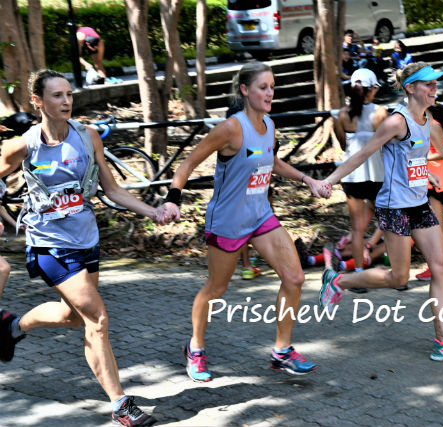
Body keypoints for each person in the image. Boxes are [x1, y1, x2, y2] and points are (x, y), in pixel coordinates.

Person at [0, 69, 158, 426]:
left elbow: (112, 190)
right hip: (49, 245)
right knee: (97, 319)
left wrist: (153, 210)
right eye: (57, 95)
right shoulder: (23, 145)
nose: (66, 101)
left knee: (72, 317)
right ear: (38, 101)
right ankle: (120, 405)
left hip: (86, 239)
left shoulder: (87, 137)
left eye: (69, 94)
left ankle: (12, 327)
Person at [156, 62, 328, 382]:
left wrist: (308, 180)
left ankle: (282, 351)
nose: (270, 93)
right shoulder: (230, 129)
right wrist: (172, 199)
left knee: (294, 277)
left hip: (260, 215)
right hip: (228, 220)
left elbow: (271, 161)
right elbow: (188, 163)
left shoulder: (269, 125)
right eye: (263, 87)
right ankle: (195, 348)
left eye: (272, 87)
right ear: (245, 90)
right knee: (216, 288)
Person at [318, 62, 443, 363]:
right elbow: (362, 154)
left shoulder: (427, 119)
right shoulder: (396, 122)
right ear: (410, 88)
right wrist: (328, 181)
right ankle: (338, 281)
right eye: (428, 84)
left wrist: (424, 175)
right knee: (398, 277)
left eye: (435, 83)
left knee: (441, 266)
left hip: (419, 202)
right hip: (395, 207)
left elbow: (412, 158)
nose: (434, 88)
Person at [334, 68, 388, 293]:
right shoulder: (381, 112)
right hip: (377, 175)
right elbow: (388, 143)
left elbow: (343, 144)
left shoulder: (342, 115)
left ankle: (357, 275)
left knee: (356, 229)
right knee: (390, 224)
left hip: (353, 177)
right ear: (372, 89)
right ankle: (398, 272)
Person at [416, 104, 443, 280]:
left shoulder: (433, 126)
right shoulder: (425, 126)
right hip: (428, 180)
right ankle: (441, 264)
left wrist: (419, 157)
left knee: (437, 225)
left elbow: (441, 153)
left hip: (436, 181)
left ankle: (441, 265)